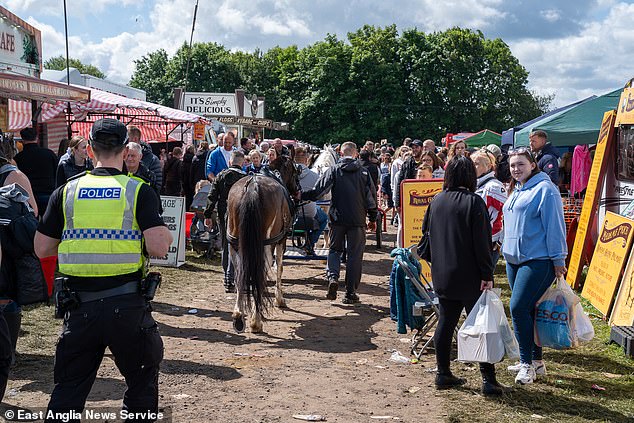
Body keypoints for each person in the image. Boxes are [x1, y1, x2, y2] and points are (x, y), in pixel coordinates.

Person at [34, 118, 172, 419]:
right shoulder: (138, 191)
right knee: (141, 386)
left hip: (78, 308)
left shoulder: (67, 192)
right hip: (127, 306)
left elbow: (42, 248)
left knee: (68, 390)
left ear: (91, 148)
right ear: (125, 150)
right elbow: (159, 247)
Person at [422, 156, 506, 395]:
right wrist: (487, 273)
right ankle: (488, 379)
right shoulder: (474, 202)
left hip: (443, 272)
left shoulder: (436, 201)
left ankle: (442, 373)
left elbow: (426, 237)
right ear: (470, 175)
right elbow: (482, 244)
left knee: (446, 322)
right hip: (470, 275)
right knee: (481, 326)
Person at [502, 147, 567, 385]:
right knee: (529, 310)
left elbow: (555, 227)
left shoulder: (545, 189)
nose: (516, 169)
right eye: (512, 166)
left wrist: (559, 259)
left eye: (520, 164)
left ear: (532, 165)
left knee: (518, 307)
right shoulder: (518, 189)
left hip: (538, 261)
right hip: (513, 260)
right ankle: (536, 362)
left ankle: (526, 364)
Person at [302, 142, 377, 304]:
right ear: (356, 153)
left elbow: (318, 192)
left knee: (335, 250)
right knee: (355, 256)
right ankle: (350, 293)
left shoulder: (334, 170)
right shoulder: (363, 172)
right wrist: (372, 218)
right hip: (357, 219)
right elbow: (371, 198)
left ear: (341, 154)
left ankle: (333, 277)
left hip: (337, 218)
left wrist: (301, 195)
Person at [203, 151, 247, 293]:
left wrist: (208, 215)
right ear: (243, 163)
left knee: (226, 244)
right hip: (242, 215)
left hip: (224, 213)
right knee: (240, 245)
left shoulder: (221, 176)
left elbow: (212, 196)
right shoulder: (247, 179)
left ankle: (227, 276)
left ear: (230, 162)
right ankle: (238, 276)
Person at [471, 150, 507, 266]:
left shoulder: (494, 187)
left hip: (489, 243)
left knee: (484, 281)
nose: (473, 167)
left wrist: (501, 240)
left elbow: (508, 213)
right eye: (471, 163)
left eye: (476, 163)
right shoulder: (475, 184)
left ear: (489, 166)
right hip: (475, 241)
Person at [14, 127, 57, 213]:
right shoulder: (49, 154)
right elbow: (57, 172)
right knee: (48, 223)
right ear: (36, 138)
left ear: (22, 139)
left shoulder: (18, 158)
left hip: (28, 197)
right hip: (48, 194)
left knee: (32, 224)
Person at [294, 147, 328, 252]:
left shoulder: (287, 175)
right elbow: (319, 196)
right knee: (324, 219)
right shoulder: (314, 175)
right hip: (309, 212)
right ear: (306, 159)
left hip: (291, 213)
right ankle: (311, 242)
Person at [128, 125, 163, 193]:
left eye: (127, 138)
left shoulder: (152, 159)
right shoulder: (122, 156)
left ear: (135, 139)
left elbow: (157, 185)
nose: (130, 158)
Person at [182, 145, 196, 210]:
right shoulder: (194, 159)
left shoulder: (184, 159)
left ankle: (186, 209)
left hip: (185, 181)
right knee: (192, 196)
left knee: (187, 196)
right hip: (191, 180)